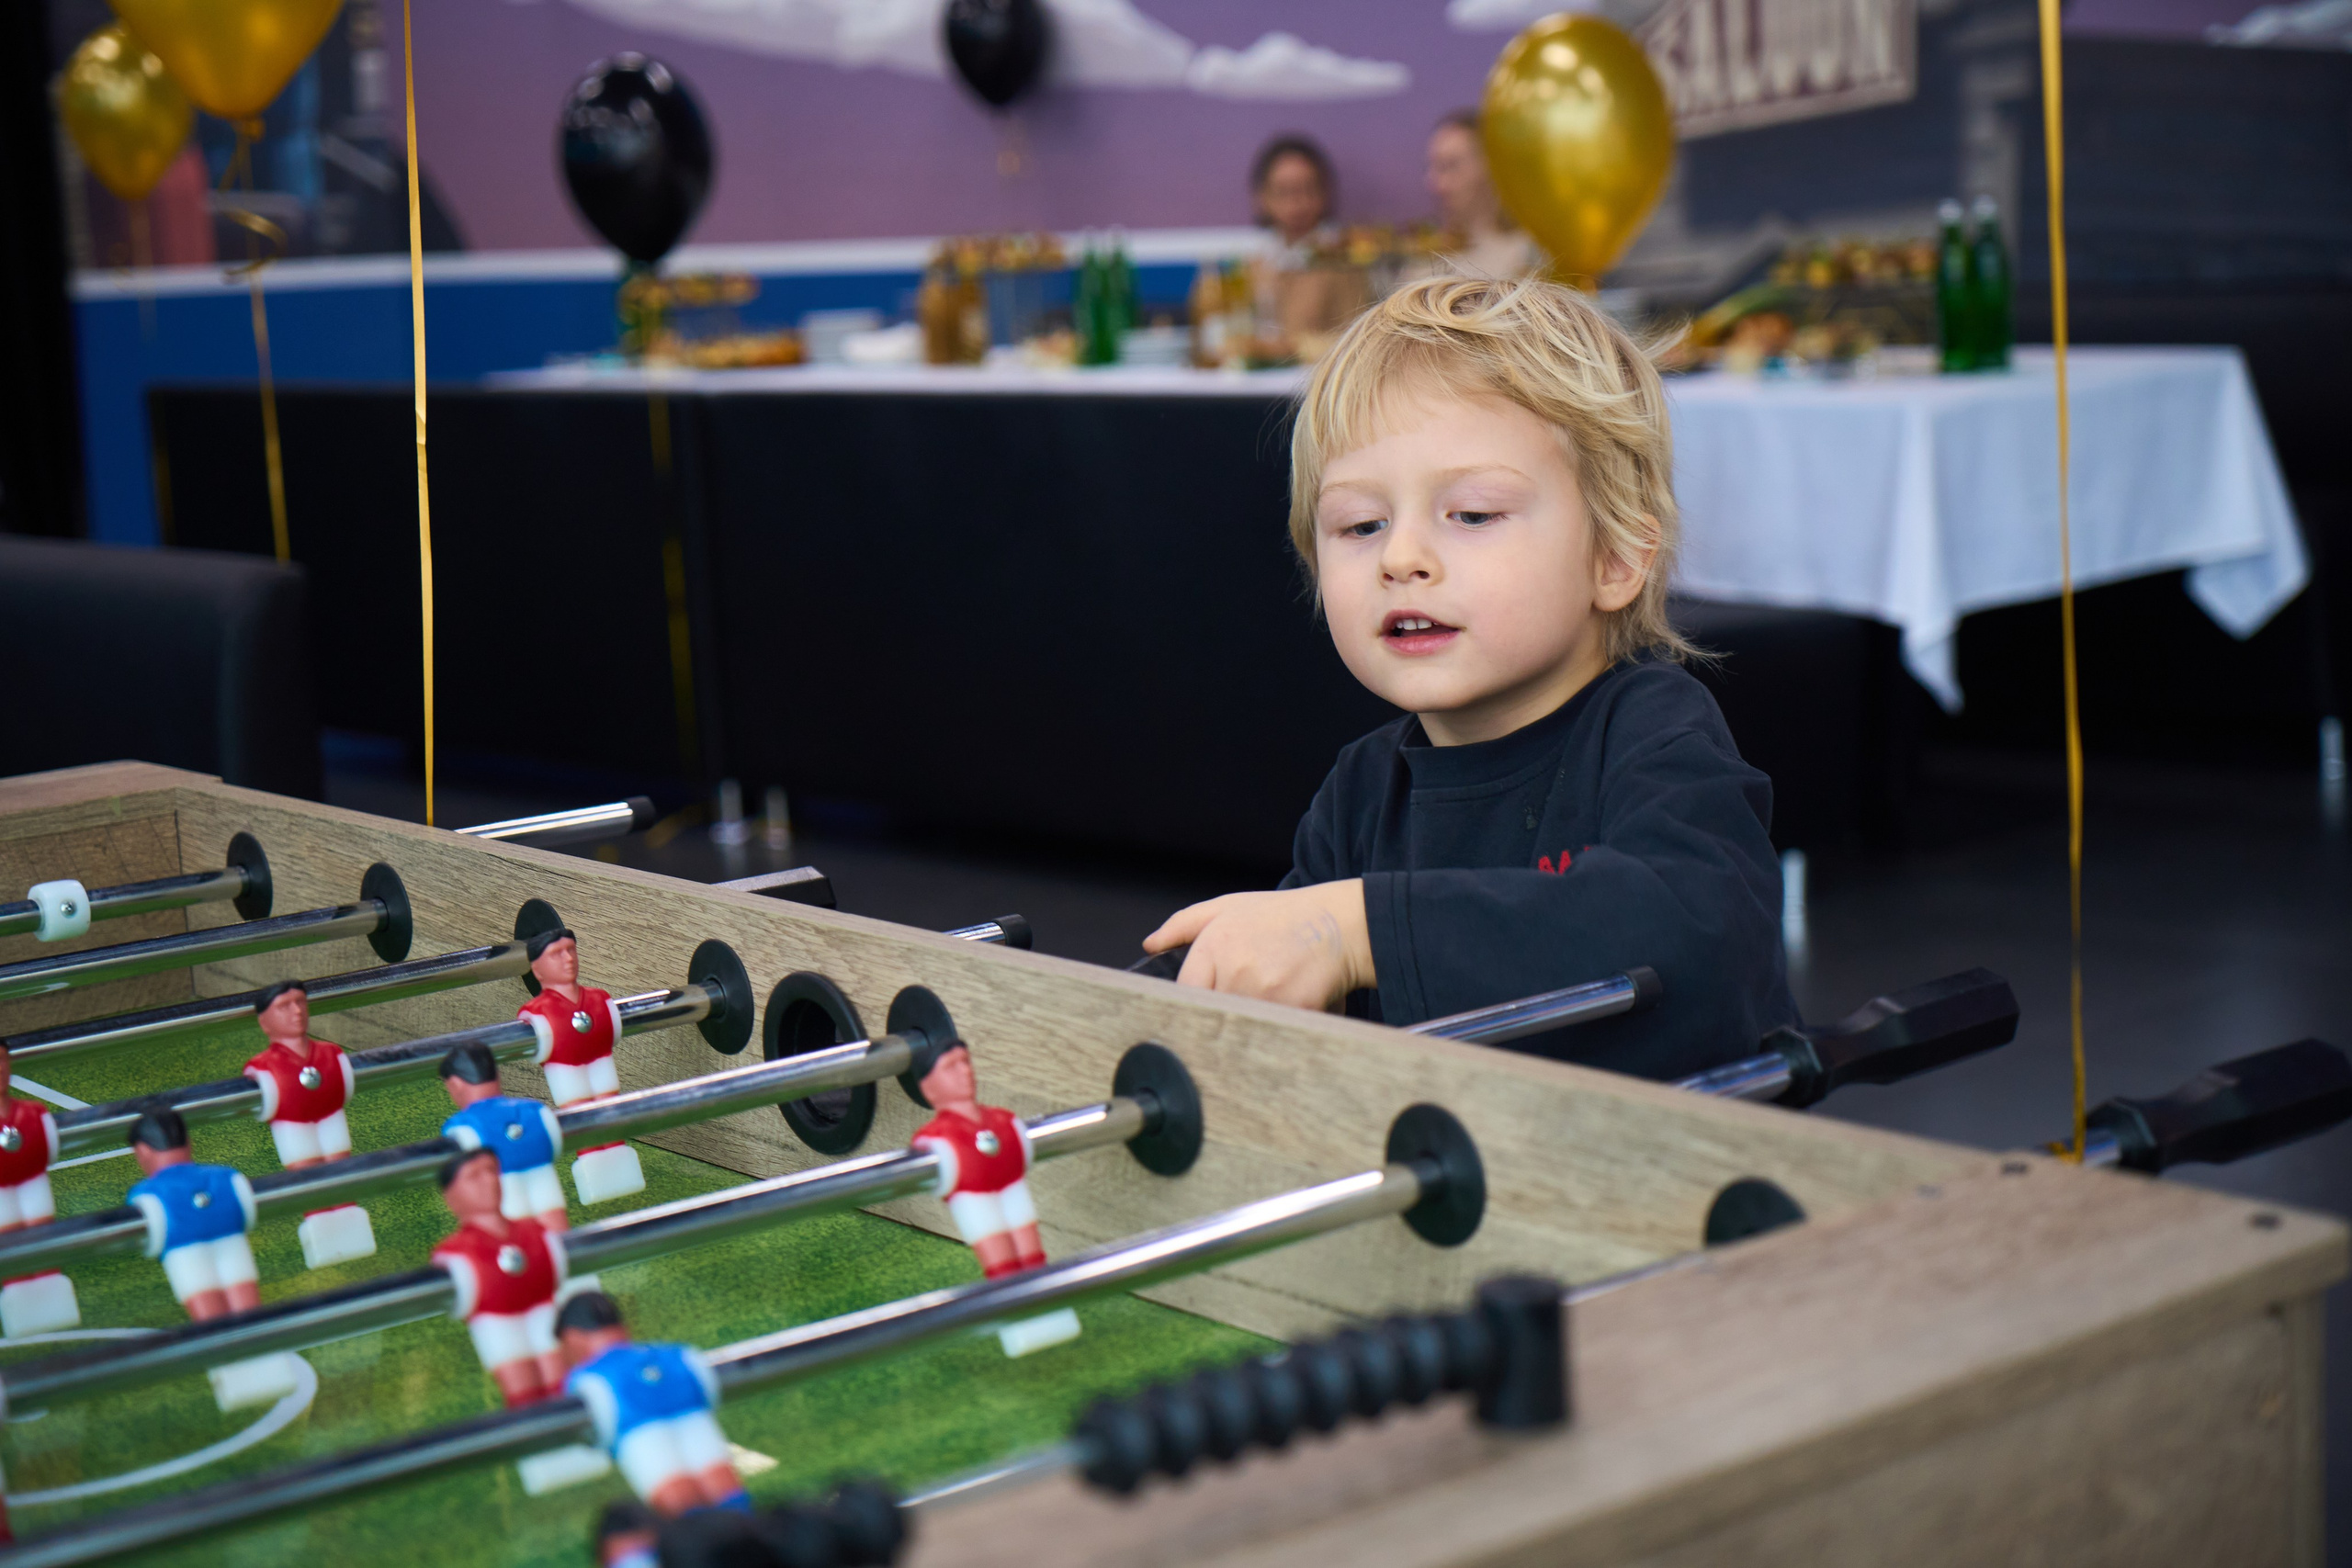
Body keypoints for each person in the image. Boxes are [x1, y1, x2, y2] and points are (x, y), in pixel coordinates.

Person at [1143, 276, 1796, 1082]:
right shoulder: (1360, 793)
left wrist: (1358, 932)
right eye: (1360, 524)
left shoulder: (1652, 731)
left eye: (1474, 514)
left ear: (1617, 557)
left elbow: (1693, 931)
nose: (1399, 556)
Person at [909, 1042, 1079, 1356]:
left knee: (1032, 1258)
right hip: (975, 1199)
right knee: (1003, 1267)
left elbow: (1018, 1150)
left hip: (1012, 1189)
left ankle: (1051, 1314)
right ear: (929, 1088)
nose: (965, 1071)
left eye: (965, 1062)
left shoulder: (1003, 1120)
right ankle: (1020, 1325)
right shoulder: (935, 1138)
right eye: (951, 1066)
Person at [127, 1109, 304, 1410]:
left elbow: (149, 1232)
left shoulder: (145, 1193)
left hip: (185, 1251)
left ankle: (237, 1377)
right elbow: (245, 1211)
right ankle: (264, 1369)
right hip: (230, 1240)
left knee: (210, 1315)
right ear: (189, 1142)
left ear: (143, 1152)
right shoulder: (225, 1176)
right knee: (248, 1306)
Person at [557, 1291, 748, 1517]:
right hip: (691, 1416)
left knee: (684, 1516)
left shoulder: (586, 1380)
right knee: (731, 1504)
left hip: (637, 1434)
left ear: (572, 1338)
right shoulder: (678, 1355)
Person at [243, 980, 376, 1268]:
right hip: (293, 1126)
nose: (297, 1011)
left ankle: (352, 1230)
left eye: (300, 1002)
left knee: (340, 1171)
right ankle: (324, 1239)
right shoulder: (263, 1067)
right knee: (309, 1180)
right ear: (265, 1022)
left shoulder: (331, 1054)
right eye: (284, 1006)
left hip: (331, 1119)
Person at [433, 1146, 569, 1406]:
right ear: (452, 1197)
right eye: (474, 1176)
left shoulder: (534, 1231)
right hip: (499, 1325)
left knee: (561, 1385)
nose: (490, 1181)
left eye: (492, 1171)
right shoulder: (456, 1252)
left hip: (543, 1314)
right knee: (524, 1398)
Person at [517, 927, 644, 1205]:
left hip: (601, 1066)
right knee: (582, 1120)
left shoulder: (600, 999)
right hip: (566, 1072)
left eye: (571, 950)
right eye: (556, 954)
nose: (568, 958)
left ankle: (620, 1168)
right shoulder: (537, 1012)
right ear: (537, 970)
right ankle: (597, 1177)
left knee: (610, 1114)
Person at [440, 1042, 569, 1231]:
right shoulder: (536, 1110)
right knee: (552, 1218)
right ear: (497, 1075)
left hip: (504, 1196)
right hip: (543, 1180)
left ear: (455, 1085)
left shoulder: (461, 1127)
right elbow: (555, 1144)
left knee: (513, 1228)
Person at [0, 1044, 78, 1337]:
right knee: (10, 1241)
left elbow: (48, 1149)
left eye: (2, 1061)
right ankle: (22, 1306)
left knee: (42, 1234)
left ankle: (53, 1302)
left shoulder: (34, 1113)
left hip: (34, 1184)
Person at [1425, 110, 1544, 279]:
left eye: (1451, 166)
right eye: (1434, 167)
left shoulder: (1531, 257)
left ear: (1493, 167)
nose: (1437, 183)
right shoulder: (1429, 262)